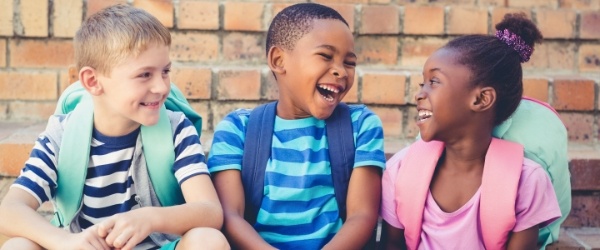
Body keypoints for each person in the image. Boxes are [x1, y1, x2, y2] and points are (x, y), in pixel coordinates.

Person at [0, 5, 228, 250]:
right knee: (18, 246)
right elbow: (9, 211)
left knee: (208, 241)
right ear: (93, 81)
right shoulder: (62, 137)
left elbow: (210, 211)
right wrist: (63, 241)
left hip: (158, 246)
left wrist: (150, 218)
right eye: (144, 75)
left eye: (165, 71)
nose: (162, 87)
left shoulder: (176, 129)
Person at [207, 3, 386, 249]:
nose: (340, 71)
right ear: (279, 60)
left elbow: (362, 216)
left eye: (350, 62)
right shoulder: (238, 129)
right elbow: (230, 216)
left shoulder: (361, 126)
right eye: (325, 56)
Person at [380, 13, 561, 249]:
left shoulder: (526, 181)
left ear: (481, 99)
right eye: (422, 83)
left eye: (434, 81)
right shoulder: (401, 170)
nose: (419, 94)